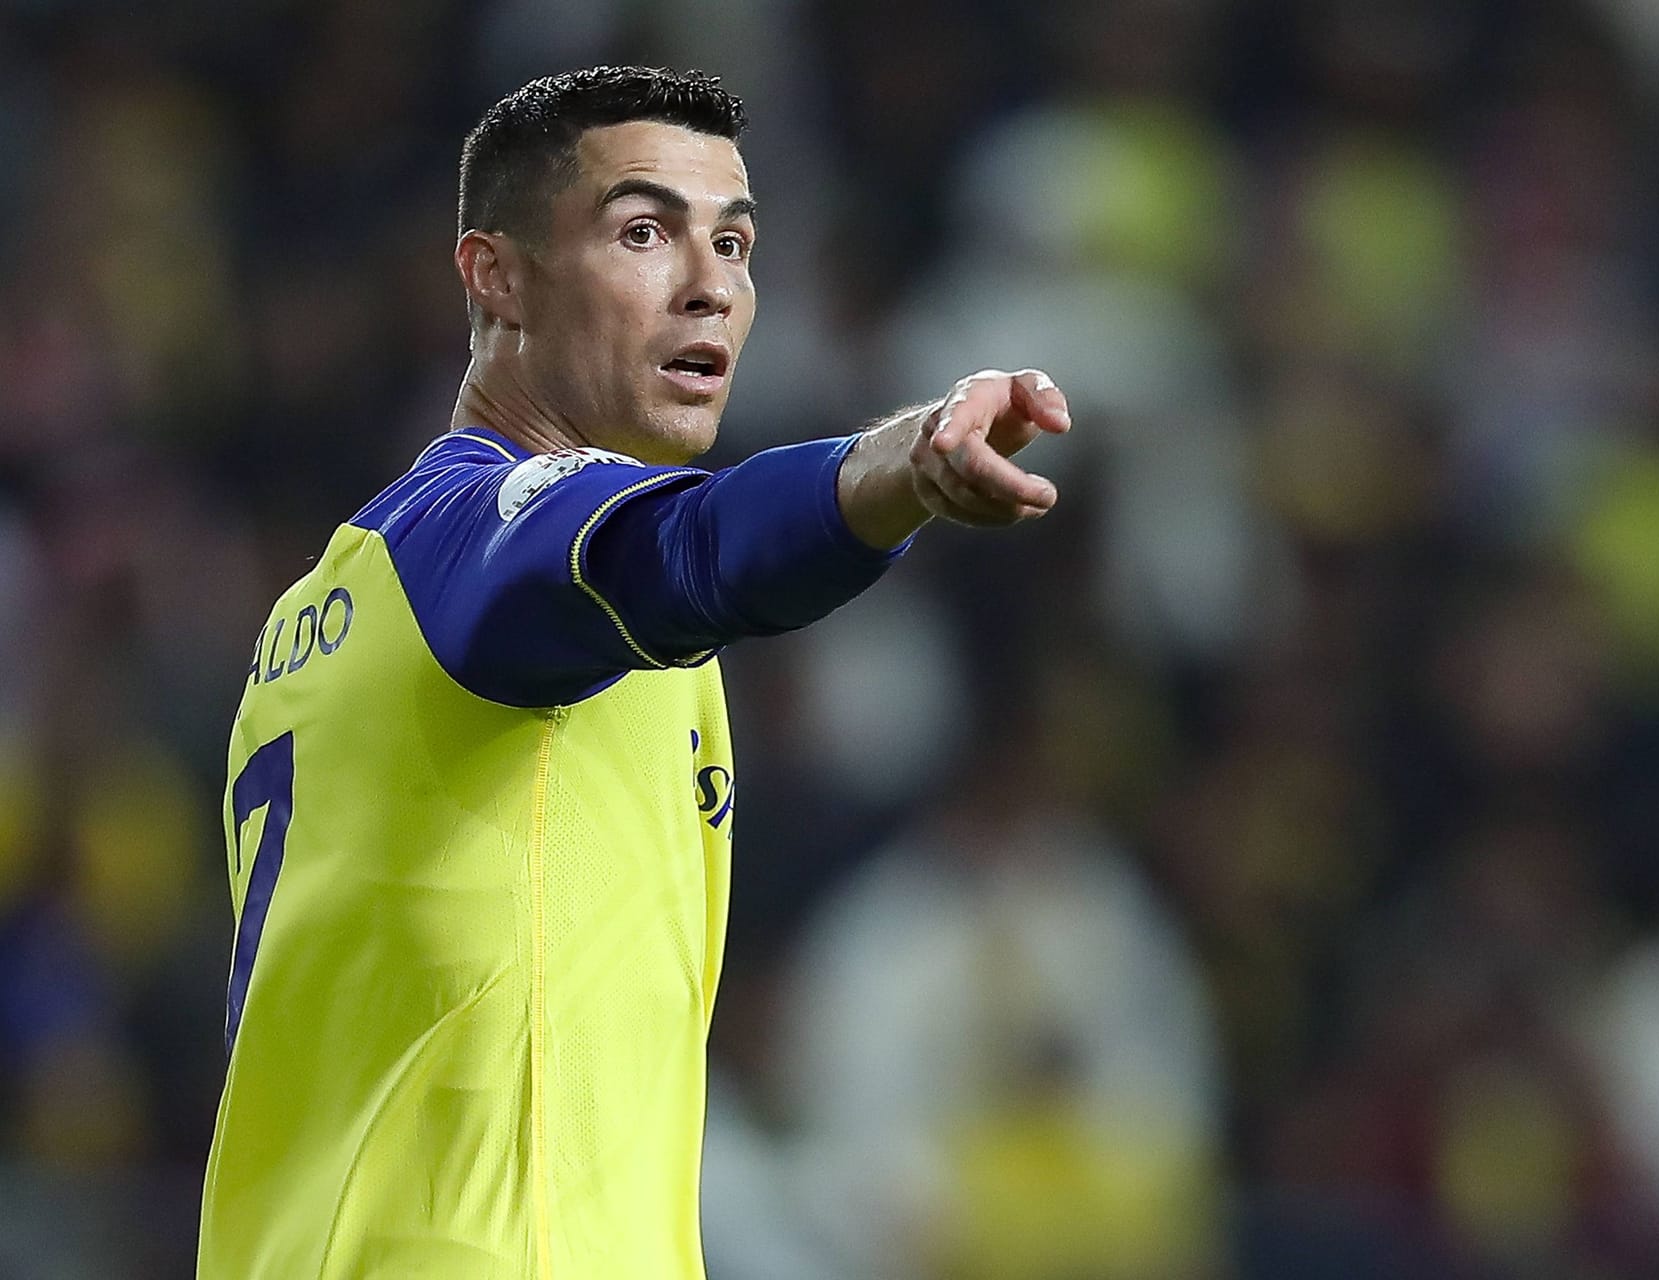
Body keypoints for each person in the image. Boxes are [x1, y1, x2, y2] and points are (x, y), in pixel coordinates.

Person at [196, 64, 1071, 1280]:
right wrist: (905, 467)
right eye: (645, 233)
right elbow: (694, 547)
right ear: (496, 276)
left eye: (735, 242)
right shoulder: (484, 537)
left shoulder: (324, 612)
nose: (710, 285)